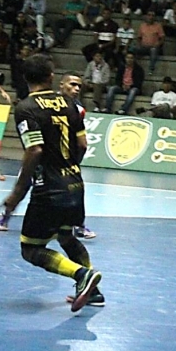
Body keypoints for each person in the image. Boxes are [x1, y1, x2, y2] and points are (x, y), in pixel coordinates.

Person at [1, 55, 101, 311]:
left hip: (49, 190)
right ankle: (93, 293)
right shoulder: (70, 104)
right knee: (66, 237)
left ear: (25, 78)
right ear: (51, 77)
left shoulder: (26, 107)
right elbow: (82, 145)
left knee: (31, 249)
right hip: (75, 184)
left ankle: (82, 275)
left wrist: (17, 194)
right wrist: (69, 167)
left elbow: (34, 150)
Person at [59, 72, 98, 242]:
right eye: (72, 85)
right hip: (44, 155)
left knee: (75, 191)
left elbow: (81, 142)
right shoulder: (46, 103)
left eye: (79, 86)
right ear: (61, 85)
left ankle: (78, 226)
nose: (76, 89)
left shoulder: (79, 110)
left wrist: (75, 161)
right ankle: (5, 216)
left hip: (65, 158)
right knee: (25, 184)